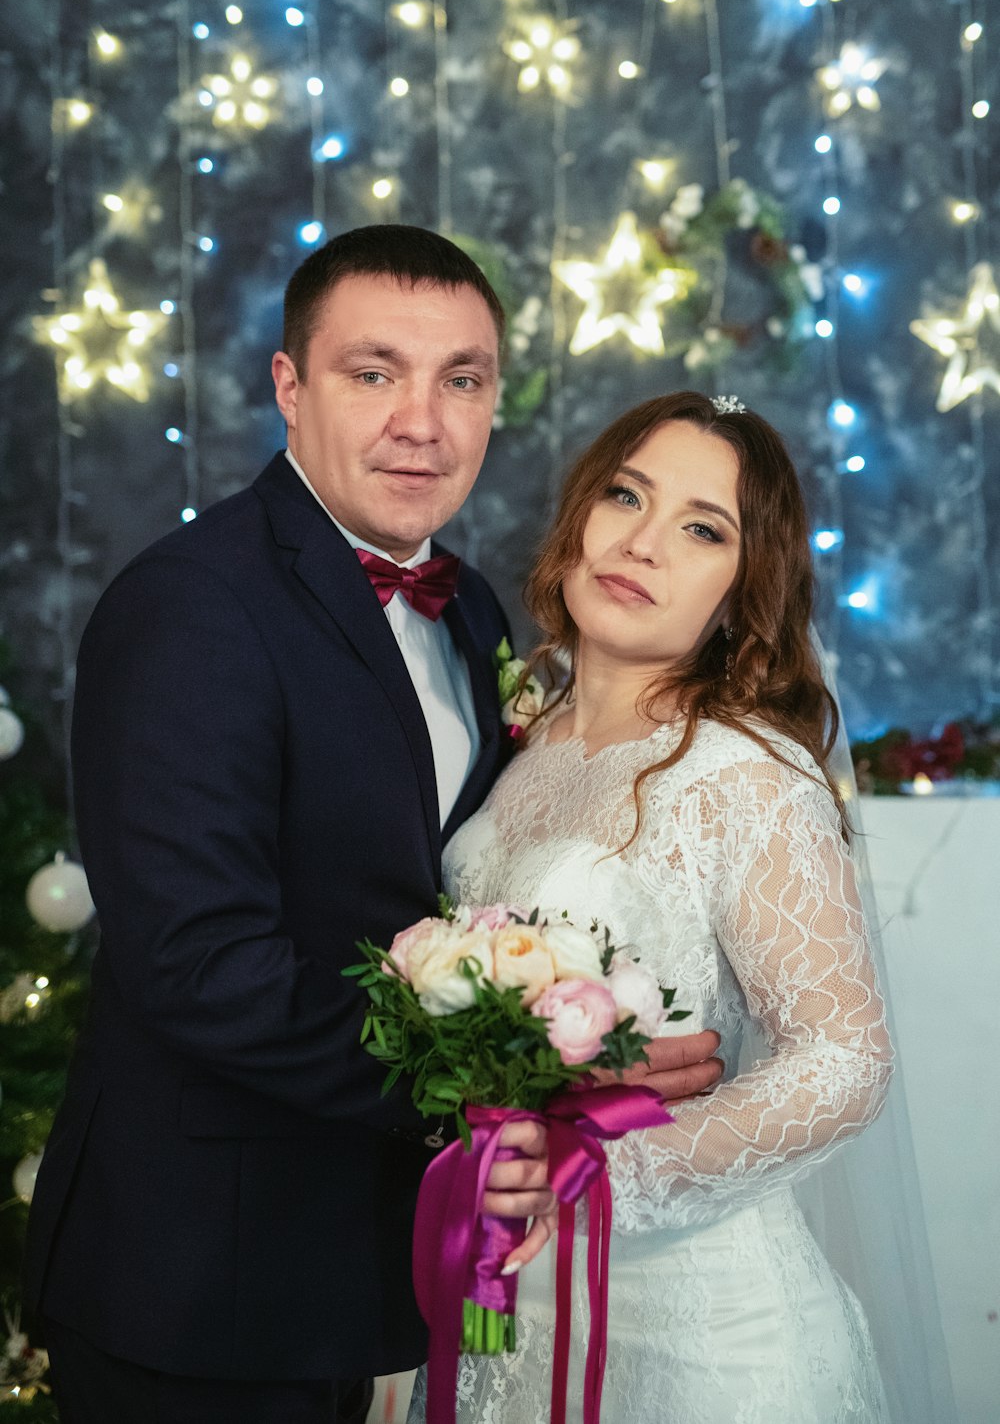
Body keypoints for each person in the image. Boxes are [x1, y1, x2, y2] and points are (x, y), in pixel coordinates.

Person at [23, 229, 721, 1424]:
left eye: (462, 379)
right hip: (198, 1281)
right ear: (289, 387)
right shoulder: (191, 607)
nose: (423, 421)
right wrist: (512, 1086)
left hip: (359, 1264)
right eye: (373, 372)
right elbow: (202, 966)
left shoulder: (473, 611)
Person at [409, 391, 895, 1423]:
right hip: (513, 1299)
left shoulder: (743, 774)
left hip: (702, 1337)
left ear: (741, 591)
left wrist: (597, 1171)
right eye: (625, 495)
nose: (640, 542)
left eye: (701, 528)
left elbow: (843, 1063)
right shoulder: (524, 747)